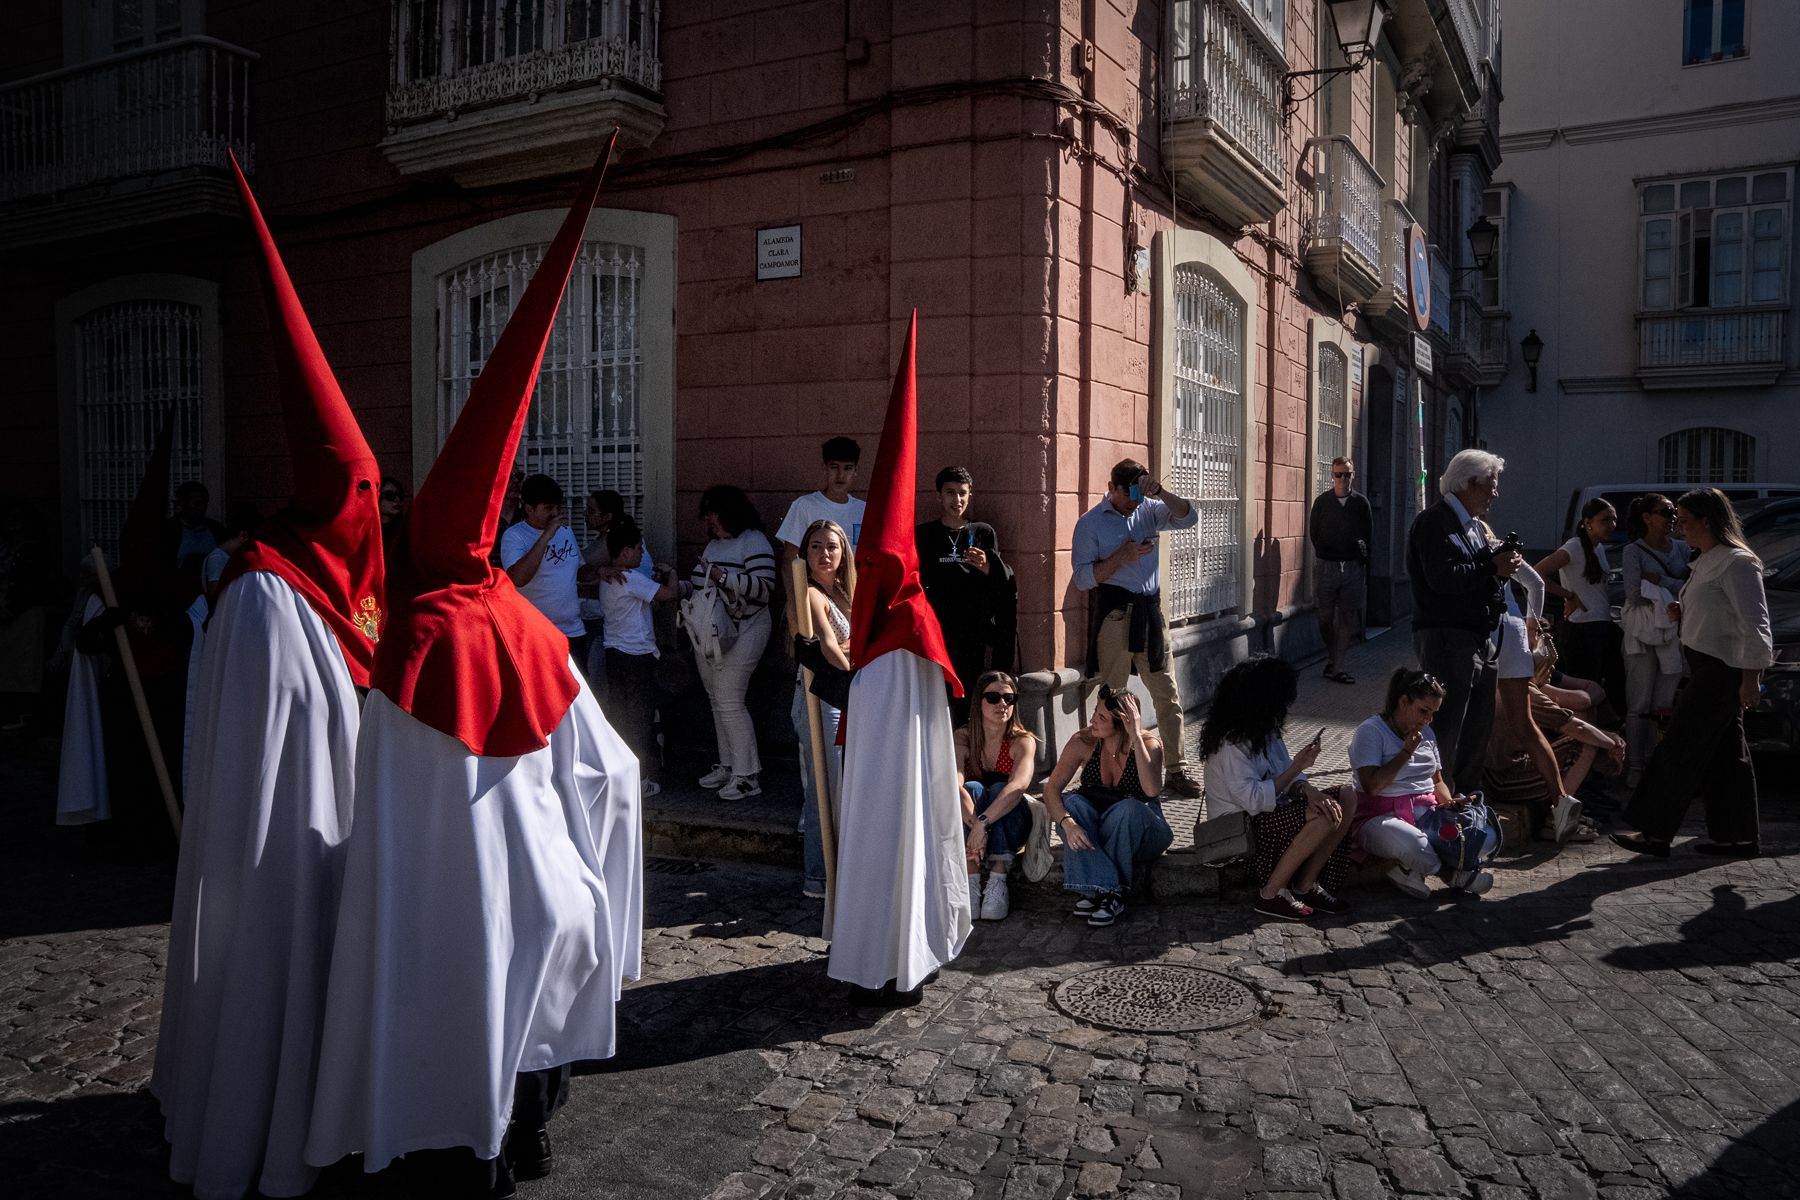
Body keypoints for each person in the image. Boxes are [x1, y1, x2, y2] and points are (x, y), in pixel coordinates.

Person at [306, 142, 639, 1196]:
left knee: (450, 988)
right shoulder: (528, 627)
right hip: (542, 889)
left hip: (445, 899)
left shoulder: (411, 636)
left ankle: (453, 1135)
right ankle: (522, 1133)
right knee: (537, 981)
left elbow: (384, 792)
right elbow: (613, 769)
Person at [152, 155, 387, 1200]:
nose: (374, 509)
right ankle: (251, 1130)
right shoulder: (259, 595)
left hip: (331, 845)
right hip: (273, 862)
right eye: (362, 492)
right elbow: (248, 767)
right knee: (270, 998)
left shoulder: (343, 591)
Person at [826, 314, 971, 1004]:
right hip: (897, 779)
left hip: (888, 784)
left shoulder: (897, 630)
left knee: (885, 841)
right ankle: (898, 950)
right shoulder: (914, 621)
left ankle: (883, 954)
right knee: (901, 840)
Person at [1613, 488, 1772, 859]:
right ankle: (1738, 836)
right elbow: (1717, 610)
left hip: (1722, 670)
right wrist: (1682, 612)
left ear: (1707, 521)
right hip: (1707, 664)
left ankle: (1653, 831)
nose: (1678, 528)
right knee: (1726, 757)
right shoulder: (1708, 560)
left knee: (1679, 747)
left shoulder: (1737, 562)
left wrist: (1751, 679)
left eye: (1684, 521)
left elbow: (1755, 624)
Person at [1072, 458, 1203, 799]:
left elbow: (1189, 517)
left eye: (1139, 495)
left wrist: (1157, 490)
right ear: (1112, 487)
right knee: (1112, 696)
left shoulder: (1148, 508)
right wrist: (1121, 557)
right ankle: (1107, 769)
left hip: (1150, 612)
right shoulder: (1090, 524)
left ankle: (1176, 769)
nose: (1134, 503)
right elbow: (1084, 579)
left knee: (1166, 690)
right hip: (1116, 611)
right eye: (1129, 495)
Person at [1200, 656, 1358, 921]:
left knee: (1346, 797)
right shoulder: (1231, 744)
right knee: (1321, 816)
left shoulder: (1265, 731)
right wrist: (1297, 769)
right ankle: (1271, 894)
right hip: (1242, 833)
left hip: (1270, 817)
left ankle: (1305, 885)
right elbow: (1253, 800)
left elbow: (1285, 777)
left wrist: (1309, 791)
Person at [1407, 449, 1520, 792]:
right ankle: (1442, 798)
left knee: (1477, 723)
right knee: (1449, 723)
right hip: (1447, 636)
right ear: (1469, 483)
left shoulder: (1471, 526)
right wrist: (1491, 567)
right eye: (1491, 485)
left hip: (1478, 636)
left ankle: (1467, 796)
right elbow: (1443, 579)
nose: (1495, 493)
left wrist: (1497, 565)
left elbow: (1473, 575)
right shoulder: (1435, 521)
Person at [1348, 669, 1495, 897]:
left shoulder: (1426, 733)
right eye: (1423, 711)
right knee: (1414, 843)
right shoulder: (1371, 731)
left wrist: (1450, 803)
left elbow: (1437, 780)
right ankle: (1454, 875)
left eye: (1432, 713)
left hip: (1428, 814)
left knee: (1486, 836)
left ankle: (1410, 870)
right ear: (1404, 701)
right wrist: (1406, 752)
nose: (1427, 719)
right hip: (1380, 818)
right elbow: (1372, 786)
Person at [1041, 686, 1172, 927]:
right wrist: (1067, 824)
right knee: (1073, 803)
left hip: (1144, 831)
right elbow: (1050, 790)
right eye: (1094, 712)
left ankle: (1096, 889)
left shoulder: (1149, 745)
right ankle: (1110, 893)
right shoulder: (1083, 742)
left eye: (1101, 717)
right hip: (1099, 831)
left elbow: (1152, 790)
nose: (1092, 720)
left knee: (1128, 808)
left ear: (1123, 722)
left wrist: (1135, 737)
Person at [689, 484, 776, 800]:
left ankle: (747, 775)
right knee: (717, 698)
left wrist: (723, 579)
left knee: (728, 698)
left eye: (713, 512)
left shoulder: (754, 541)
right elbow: (700, 587)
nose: (709, 520)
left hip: (747, 627)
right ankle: (729, 766)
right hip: (713, 632)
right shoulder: (714, 546)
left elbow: (765, 588)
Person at [917, 466, 1017, 723]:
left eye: (962, 493)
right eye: (950, 493)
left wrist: (987, 568)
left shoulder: (982, 532)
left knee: (970, 694)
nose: (957, 500)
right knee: (935, 696)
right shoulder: (924, 534)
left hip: (973, 632)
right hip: (936, 629)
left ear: (970, 495)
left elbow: (1003, 585)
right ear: (939, 495)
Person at [599, 515, 682, 799]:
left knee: (621, 717)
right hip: (638, 657)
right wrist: (671, 573)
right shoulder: (631, 579)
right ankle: (646, 778)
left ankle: (627, 777)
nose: (641, 554)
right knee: (642, 720)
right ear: (625, 552)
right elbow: (669, 595)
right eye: (637, 549)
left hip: (614, 653)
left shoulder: (608, 578)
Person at [792, 518, 853, 900]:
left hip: (848, 697)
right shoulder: (811, 594)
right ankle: (817, 876)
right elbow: (831, 649)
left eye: (831, 546)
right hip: (820, 698)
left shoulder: (848, 591)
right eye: (815, 546)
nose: (824, 553)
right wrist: (860, 663)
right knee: (824, 791)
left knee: (845, 790)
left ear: (843, 551)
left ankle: (840, 870)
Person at [955, 669, 1037, 923]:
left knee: (999, 790)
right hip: (974, 822)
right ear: (979, 701)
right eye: (993, 698)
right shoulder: (964, 737)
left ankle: (998, 879)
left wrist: (982, 823)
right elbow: (953, 785)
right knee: (974, 788)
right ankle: (971, 879)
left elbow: (1018, 787)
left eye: (1008, 699)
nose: (1002, 704)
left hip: (1013, 818)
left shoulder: (1022, 740)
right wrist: (975, 824)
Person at [1619, 493, 1689, 788]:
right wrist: (1671, 592)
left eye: (1674, 512)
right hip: (1642, 634)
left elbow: (1689, 586)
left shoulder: (1683, 549)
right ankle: (1635, 767)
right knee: (1639, 702)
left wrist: (1660, 582)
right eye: (1665, 512)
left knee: (1663, 704)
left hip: (1672, 631)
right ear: (1647, 517)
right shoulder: (1633, 551)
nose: (1672, 517)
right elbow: (1633, 593)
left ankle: (1658, 766)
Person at [1536, 498, 1625, 714]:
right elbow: (1538, 571)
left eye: (1614, 519)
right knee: (1585, 688)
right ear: (1588, 522)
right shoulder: (1574, 547)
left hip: (1600, 624)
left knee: (1601, 686)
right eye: (1605, 520)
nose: (1611, 525)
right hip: (1582, 628)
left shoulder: (1599, 548)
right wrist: (1568, 595)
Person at [500, 474, 588, 665]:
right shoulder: (514, 536)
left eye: (558, 507)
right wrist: (546, 536)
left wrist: (602, 572)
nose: (555, 513)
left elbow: (578, 570)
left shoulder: (566, 532)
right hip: (536, 634)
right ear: (530, 509)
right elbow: (519, 578)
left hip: (573, 631)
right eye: (548, 508)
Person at [1309, 456, 1372, 685]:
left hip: (1353, 567)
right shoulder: (1322, 502)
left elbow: (1368, 534)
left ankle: (1338, 666)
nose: (1343, 479)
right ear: (1331, 476)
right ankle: (1332, 656)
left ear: (1353, 475)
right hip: (1326, 566)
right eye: (1338, 474)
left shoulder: (1361, 503)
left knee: (1346, 617)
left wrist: (1360, 558)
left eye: (1347, 474)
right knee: (1325, 617)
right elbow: (1314, 533)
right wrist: (1328, 553)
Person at [776, 436, 866, 575]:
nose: (840, 475)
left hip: (854, 592)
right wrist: (795, 597)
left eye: (847, 468)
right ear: (825, 468)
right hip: (815, 591)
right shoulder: (804, 506)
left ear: (856, 470)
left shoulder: (864, 510)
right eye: (834, 467)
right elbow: (790, 560)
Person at [378, 477, 408, 572]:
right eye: (390, 496)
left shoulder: (406, 531)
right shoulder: (367, 531)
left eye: (400, 495)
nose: (397, 499)